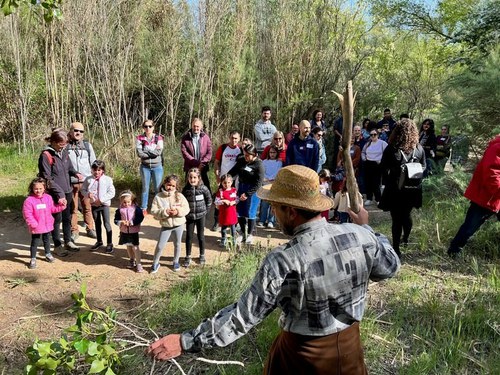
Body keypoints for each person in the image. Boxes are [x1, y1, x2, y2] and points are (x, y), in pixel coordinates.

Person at [147, 165, 400, 374]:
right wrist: (367, 229)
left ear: (290, 211)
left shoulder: (284, 260)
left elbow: (242, 317)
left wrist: (185, 340)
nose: (274, 215)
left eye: (276, 208)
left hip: (301, 361)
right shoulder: (361, 237)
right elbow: (390, 267)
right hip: (351, 355)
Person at [378, 119, 426, 257]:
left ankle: (396, 248)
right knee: (407, 215)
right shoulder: (419, 148)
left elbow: (383, 168)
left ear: (396, 131)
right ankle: (405, 238)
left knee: (396, 219)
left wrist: (389, 179)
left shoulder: (391, 148)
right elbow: (424, 167)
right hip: (413, 190)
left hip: (396, 190)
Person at [447, 135, 500, 257]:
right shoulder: (497, 147)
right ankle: (454, 251)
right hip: (485, 197)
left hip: (497, 197)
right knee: (470, 227)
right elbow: (492, 174)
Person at [38, 128, 82, 256]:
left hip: (68, 190)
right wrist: (59, 194)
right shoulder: (46, 155)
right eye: (61, 144)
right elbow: (47, 179)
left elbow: (69, 167)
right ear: (54, 142)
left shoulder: (64, 151)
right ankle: (57, 246)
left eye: (65, 144)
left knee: (67, 217)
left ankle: (68, 241)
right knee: (57, 220)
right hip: (55, 194)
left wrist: (75, 173)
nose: (64, 146)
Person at [22, 177, 66, 269]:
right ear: (32, 189)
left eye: (40, 188)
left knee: (47, 240)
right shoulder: (29, 200)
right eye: (36, 189)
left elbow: (53, 209)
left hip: (47, 225)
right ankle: (33, 258)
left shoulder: (48, 198)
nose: (38, 190)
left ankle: (48, 254)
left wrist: (61, 206)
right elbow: (27, 214)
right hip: (36, 227)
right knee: (35, 242)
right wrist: (33, 224)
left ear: (44, 188)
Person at [150, 175, 190, 273]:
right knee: (160, 245)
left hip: (179, 225)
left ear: (176, 187)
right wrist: (165, 212)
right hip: (166, 225)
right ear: (164, 183)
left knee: (177, 244)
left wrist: (177, 211)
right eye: (168, 185)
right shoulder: (158, 197)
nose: (170, 188)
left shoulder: (180, 196)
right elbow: (153, 211)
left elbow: (186, 208)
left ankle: (175, 261)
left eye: (173, 186)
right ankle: (155, 262)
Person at [228, 144, 265, 244]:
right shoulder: (242, 160)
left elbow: (258, 183)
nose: (246, 157)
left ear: (255, 155)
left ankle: (249, 234)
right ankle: (242, 233)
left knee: (250, 213)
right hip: (241, 187)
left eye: (248, 155)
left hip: (252, 191)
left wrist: (248, 194)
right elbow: (233, 171)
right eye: (245, 155)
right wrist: (226, 179)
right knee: (240, 212)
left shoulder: (259, 165)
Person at [67, 122, 97, 240]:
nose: (78, 133)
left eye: (81, 131)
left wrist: (94, 180)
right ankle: (74, 231)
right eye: (75, 130)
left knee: (87, 207)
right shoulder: (65, 146)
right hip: (71, 182)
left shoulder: (87, 146)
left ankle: (90, 228)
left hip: (86, 182)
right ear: (70, 131)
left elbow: (93, 163)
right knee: (72, 209)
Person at [81, 160, 116, 253]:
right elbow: (82, 190)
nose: (97, 172)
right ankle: (99, 241)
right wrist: (88, 195)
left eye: (99, 170)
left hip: (104, 205)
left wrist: (102, 199)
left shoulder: (108, 180)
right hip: (94, 205)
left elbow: (112, 192)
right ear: (92, 170)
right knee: (97, 223)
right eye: (95, 170)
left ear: (103, 170)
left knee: (107, 223)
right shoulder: (88, 179)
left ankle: (109, 243)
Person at [182, 168, 212, 267]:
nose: (192, 179)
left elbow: (209, 200)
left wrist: (205, 211)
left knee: (201, 236)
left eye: (195, 177)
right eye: (190, 177)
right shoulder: (186, 190)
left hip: (201, 216)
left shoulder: (203, 188)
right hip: (190, 216)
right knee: (189, 236)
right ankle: (188, 256)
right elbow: (182, 202)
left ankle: (202, 255)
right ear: (188, 178)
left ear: (199, 178)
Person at [212, 131, 242, 231]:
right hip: (223, 180)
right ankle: (217, 221)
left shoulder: (240, 149)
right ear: (229, 137)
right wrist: (217, 177)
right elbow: (216, 162)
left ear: (239, 139)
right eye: (232, 138)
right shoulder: (223, 147)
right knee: (219, 201)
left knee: (234, 201)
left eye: (236, 138)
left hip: (235, 180)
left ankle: (234, 222)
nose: (234, 140)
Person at [136, 120, 164, 215]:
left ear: (153, 127)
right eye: (146, 126)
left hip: (157, 167)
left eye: (150, 126)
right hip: (145, 167)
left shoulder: (158, 138)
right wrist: (152, 152)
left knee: (157, 188)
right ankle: (144, 207)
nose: (148, 128)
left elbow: (158, 153)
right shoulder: (140, 138)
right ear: (143, 127)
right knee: (145, 188)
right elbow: (140, 153)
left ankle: (157, 207)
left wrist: (146, 151)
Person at [114, 190, 145, 273]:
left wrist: (132, 222)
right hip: (124, 231)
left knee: (135, 247)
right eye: (124, 202)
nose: (126, 204)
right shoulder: (119, 210)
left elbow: (140, 218)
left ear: (132, 200)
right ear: (121, 201)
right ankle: (132, 260)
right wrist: (121, 222)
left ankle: (139, 264)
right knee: (128, 246)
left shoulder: (136, 209)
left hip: (134, 231)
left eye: (128, 202)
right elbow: (116, 220)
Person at [180, 118, 213, 191]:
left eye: (198, 126)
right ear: (191, 126)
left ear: (201, 127)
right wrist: (197, 163)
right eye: (194, 126)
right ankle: (186, 201)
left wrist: (202, 163)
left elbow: (209, 152)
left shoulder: (206, 137)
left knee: (206, 186)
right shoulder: (185, 137)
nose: (196, 128)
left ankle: (208, 201)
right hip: (190, 167)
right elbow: (185, 153)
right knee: (188, 187)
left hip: (203, 167)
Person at [257, 145, 282, 228]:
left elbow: (278, 173)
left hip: (274, 184)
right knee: (264, 203)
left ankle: (271, 221)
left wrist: (272, 180)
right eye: (271, 152)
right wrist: (266, 179)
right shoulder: (264, 162)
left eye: (274, 152)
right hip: (265, 184)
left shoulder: (279, 162)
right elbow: (262, 172)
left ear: (277, 153)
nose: (272, 154)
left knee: (273, 204)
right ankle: (262, 220)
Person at [361, 130, 387, 205]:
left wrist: (381, 161)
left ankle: (378, 199)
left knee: (376, 183)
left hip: (377, 165)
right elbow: (363, 152)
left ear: (378, 135)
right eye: (371, 134)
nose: (373, 136)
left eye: (374, 134)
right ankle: (369, 198)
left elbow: (387, 153)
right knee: (368, 182)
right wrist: (364, 159)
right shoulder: (368, 143)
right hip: (368, 163)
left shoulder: (382, 143)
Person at [214, 174, 239, 248]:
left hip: (232, 213)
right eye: (224, 183)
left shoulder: (234, 190)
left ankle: (233, 239)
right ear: (221, 183)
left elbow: (237, 199)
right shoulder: (220, 192)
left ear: (231, 182)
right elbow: (216, 202)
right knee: (223, 228)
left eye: (228, 182)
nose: (226, 184)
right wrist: (224, 201)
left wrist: (234, 202)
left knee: (233, 227)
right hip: (224, 213)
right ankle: (223, 239)